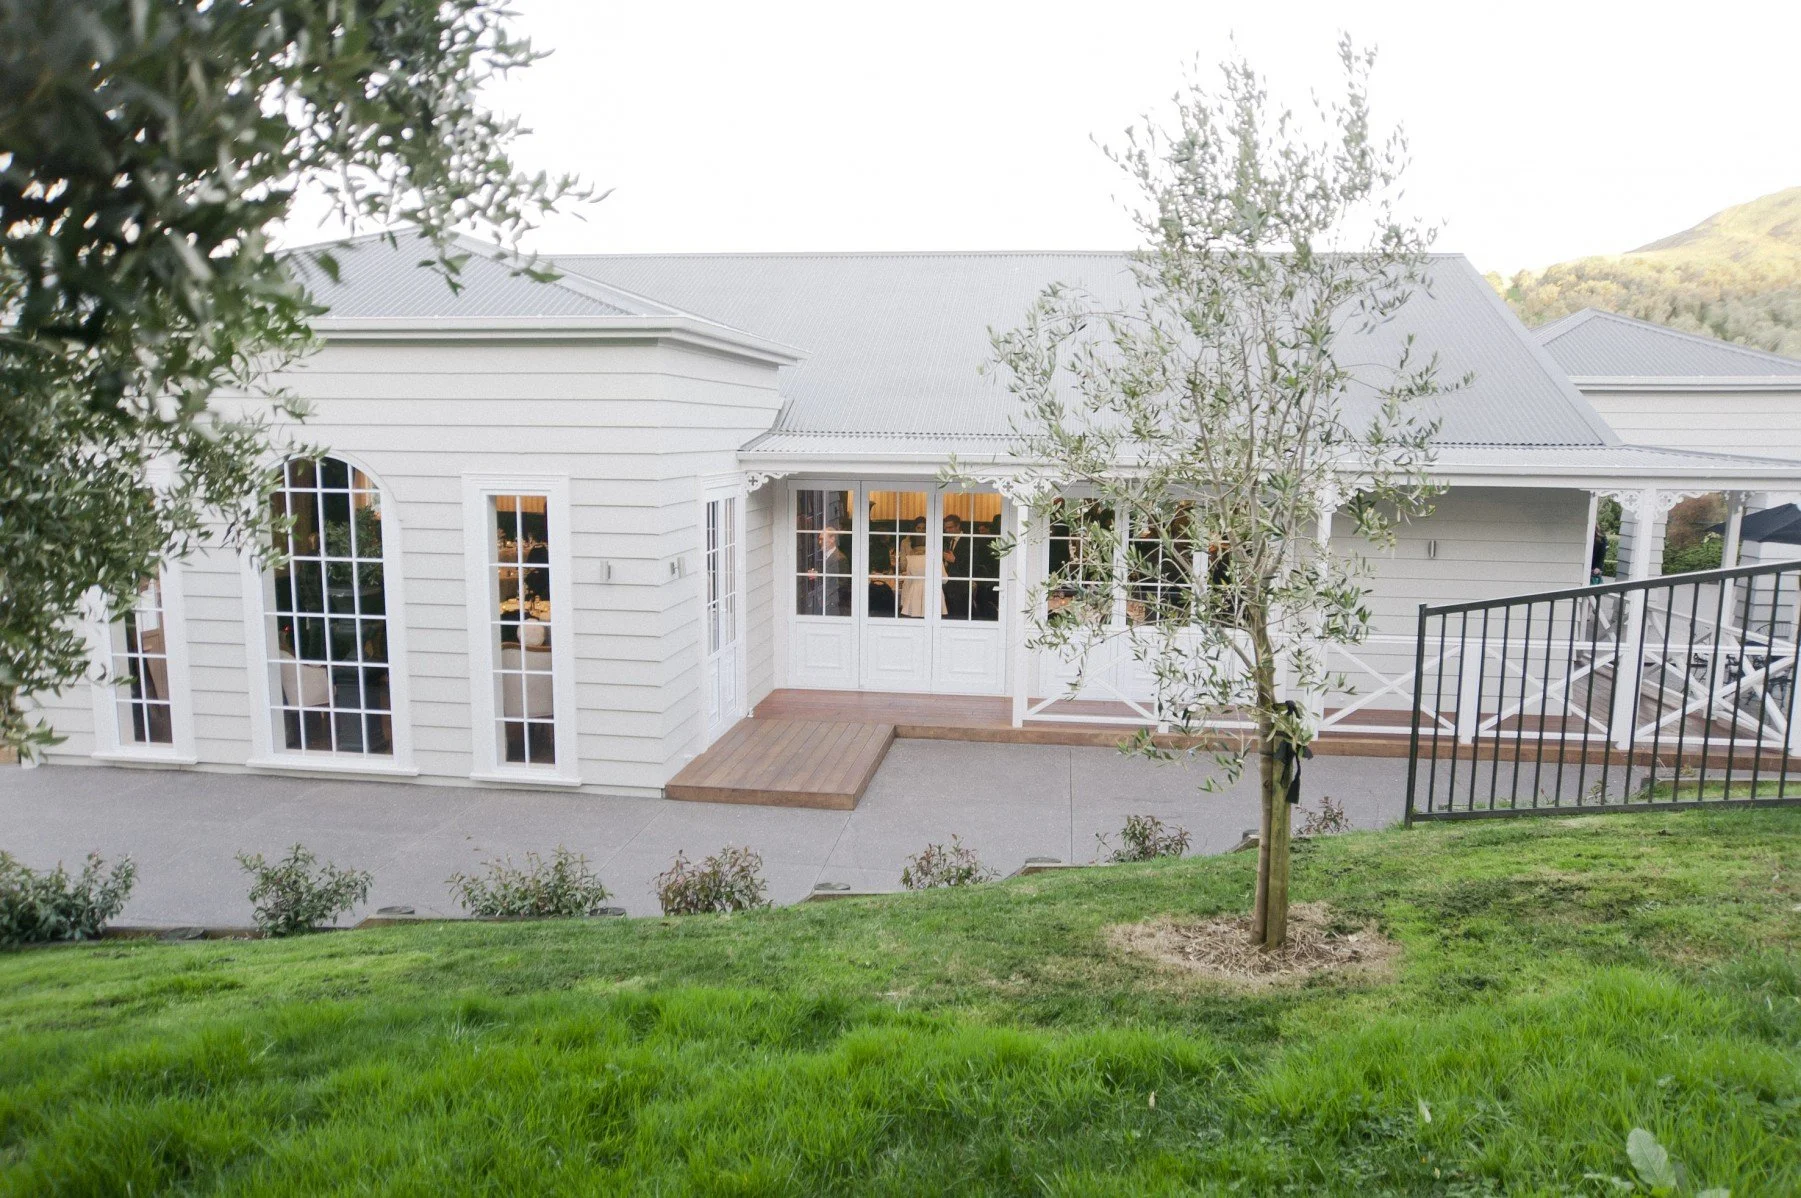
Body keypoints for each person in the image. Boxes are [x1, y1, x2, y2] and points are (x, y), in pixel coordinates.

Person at [801, 528, 851, 616]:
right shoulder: (821, 557)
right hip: (819, 602)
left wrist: (819, 577)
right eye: (819, 539)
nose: (819, 542)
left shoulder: (840, 558)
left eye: (822, 539)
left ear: (832, 539)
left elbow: (842, 583)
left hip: (833, 604)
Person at [941, 513, 971, 619]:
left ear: (958, 526)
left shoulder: (969, 540)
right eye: (946, 528)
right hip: (949, 585)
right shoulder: (948, 541)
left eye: (950, 527)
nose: (947, 531)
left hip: (962, 586)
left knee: (959, 616)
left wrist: (954, 560)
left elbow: (973, 563)